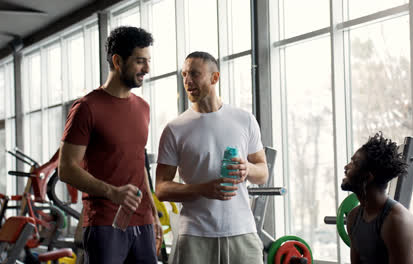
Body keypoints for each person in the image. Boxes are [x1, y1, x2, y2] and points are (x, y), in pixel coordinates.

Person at [58, 26, 162, 264]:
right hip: (104, 223)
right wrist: (111, 192)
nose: (147, 69)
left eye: (148, 61)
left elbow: (139, 164)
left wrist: (153, 213)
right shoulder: (86, 107)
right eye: (139, 61)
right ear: (117, 61)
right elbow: (66, 168)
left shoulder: (143, 108)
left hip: (142, 221)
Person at [155, 51, 268, 264]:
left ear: (214, 78)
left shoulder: (244, 119)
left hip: (242, 232)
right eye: (184, 74)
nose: (187, 81)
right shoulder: (174, 129)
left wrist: (248, 169)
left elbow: (262, 173)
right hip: (195, 236)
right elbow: (161, 189)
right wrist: (202, 189)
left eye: (195, 74)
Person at [342, 132, 413, 264]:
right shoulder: (353, 217)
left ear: (368, 177)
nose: (346, 167)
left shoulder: (397, 222)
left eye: (354, 163)